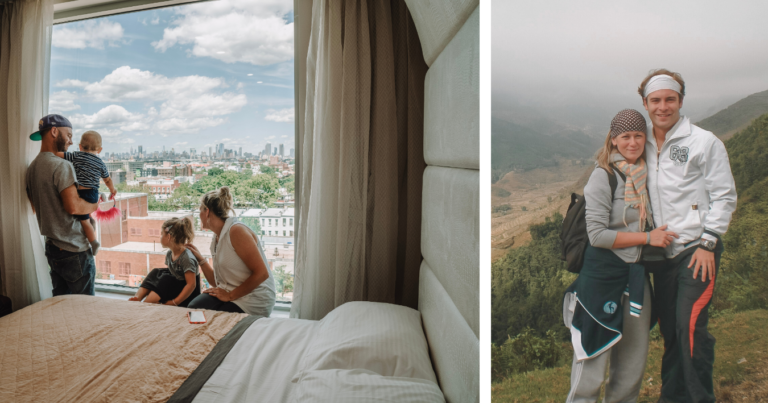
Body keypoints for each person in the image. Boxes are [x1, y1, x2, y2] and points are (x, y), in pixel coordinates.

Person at [565, 109, 679, 403]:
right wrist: (647, 237)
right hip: (600, 279)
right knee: (591, 361)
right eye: (625, 136)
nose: (632, 142)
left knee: (631, 367)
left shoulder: (645, 177)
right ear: (613, 140)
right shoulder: (603, 177)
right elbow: (598, 235)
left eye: (638, 135)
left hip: (635, 279)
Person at [639, 69, 737, 403]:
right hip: (662, 255)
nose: (662, 106)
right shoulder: (643, 143)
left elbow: (724, 196)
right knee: (670, 331)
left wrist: (709, 242)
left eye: (670, 99)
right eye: (656, 100)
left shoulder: (703, 142)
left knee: (690, 328)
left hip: (698, 249)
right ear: (645, 102)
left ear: (681, 101)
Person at [26, 114, 99, 295]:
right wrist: (95, 206)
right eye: (68, 135)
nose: (71, 141)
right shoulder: (61, 166)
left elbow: (35, 207)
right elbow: (73, 207)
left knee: (61, 305)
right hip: (73, 249)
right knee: (84, 307)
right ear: (54, 131)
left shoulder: (32, 168)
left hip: (52, 247)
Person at [185, 187, 276, 316]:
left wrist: (230, 296)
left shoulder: (236, 231)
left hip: (254, 297)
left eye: (200, 210)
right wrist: (201, 260)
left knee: (215, 319)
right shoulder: (217, 238)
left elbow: (262, 274)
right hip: (231, 291)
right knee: (193, 309)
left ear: (207, 212)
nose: (198, 215)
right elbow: (218, 282)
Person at [53, 130, 116, 256]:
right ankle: (100, 197)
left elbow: (58, 155)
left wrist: (51, 151)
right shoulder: (100, 163)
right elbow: (107, 179)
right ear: (100, 149)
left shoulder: (76, 155)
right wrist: (112, 190)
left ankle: (93, 242)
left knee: (84, 221)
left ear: (80, 146)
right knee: (87, 216)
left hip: (80, 193)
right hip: (92, 193)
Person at [128, 217, 200, 307]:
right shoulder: (170, 253)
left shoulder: (187, 258)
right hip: (177, 282)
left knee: (165, 279)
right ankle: (137, 297)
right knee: (156, 272)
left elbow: (191, 285)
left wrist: (174, 302)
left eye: (162, 234)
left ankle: (145, 304)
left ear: (169, 237)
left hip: (187, 293)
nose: (160, 237)